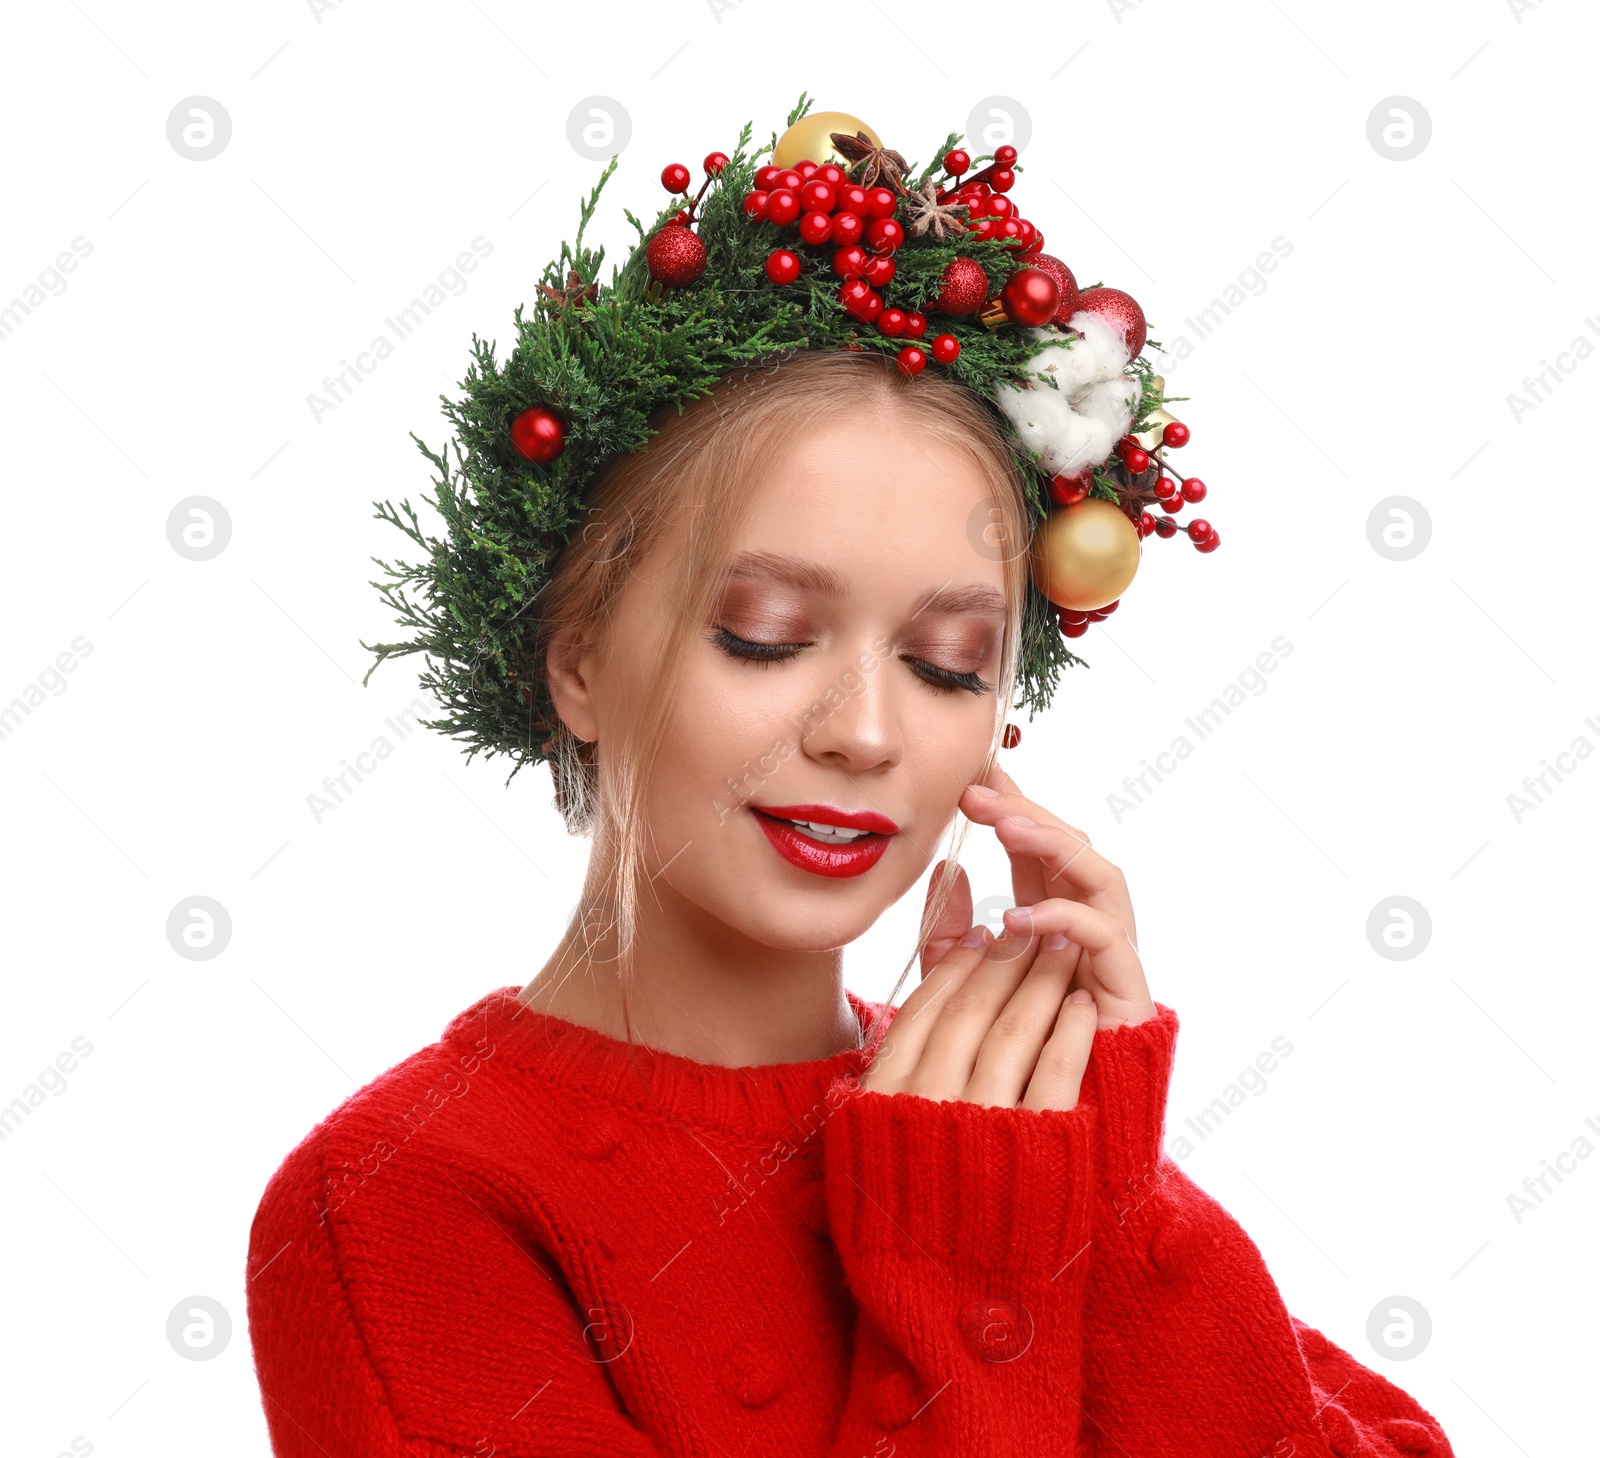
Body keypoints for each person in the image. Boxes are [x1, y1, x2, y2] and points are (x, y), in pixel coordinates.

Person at [246, 110, 1455, 1458]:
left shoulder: (989, 1121)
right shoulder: (392, 1206)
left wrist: (1112, 1210)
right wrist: (968, 1282)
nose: (867, 732)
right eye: (763, 635)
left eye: (947, 663)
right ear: (578, 655)